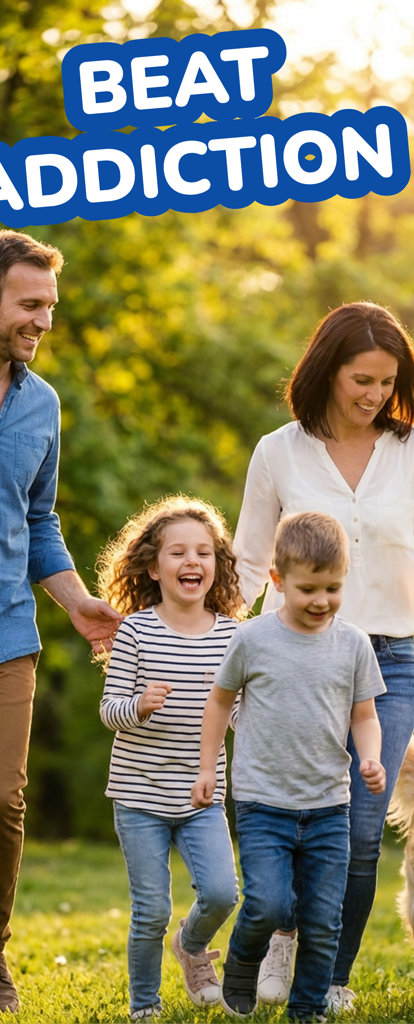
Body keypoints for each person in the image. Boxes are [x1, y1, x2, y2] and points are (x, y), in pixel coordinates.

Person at [0, 229, 122, 1017]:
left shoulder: (42, 403)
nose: (43, 320)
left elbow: (38, 521)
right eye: (30, 305)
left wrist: (77, 602)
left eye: (49, 305)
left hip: (5, 636)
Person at [232, 301, 414, 1013]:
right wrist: (211, 648)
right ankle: (281, 936)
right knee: (294, 808)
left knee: (361, 828)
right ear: (325, 370)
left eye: (385, 382)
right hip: (297, 657)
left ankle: (329, 975)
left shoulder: (409, 450)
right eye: (360, 379)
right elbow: (249, 563)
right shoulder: (278, 451)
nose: (372, 395)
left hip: (395, 661)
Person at [192, 511, 386, 1022]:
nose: (321, 601)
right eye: (308, 589)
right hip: (263, 803)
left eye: (333, 588)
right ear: (277, 582)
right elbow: (218, 702)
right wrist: (208, 767)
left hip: (328, 805)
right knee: (269, 904)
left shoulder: (353, 644)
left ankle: (307, 1007)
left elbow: (364, 715)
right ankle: (241, 962)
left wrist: (370, 756)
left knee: (323, 920)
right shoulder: (252, 639)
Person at [97, 495, 244, 1020]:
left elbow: (243, 713)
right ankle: (144, 1005)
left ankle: (192, 942)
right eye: (178, 552)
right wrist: (139, 705)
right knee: (150, 910)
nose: (192, 562)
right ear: (154, 568)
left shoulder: (233, 636)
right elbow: (109, 711)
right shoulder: (135, 631)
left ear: (217, 566)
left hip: (202, 792)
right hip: (139, 798)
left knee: (224, 893)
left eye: (204, 552)